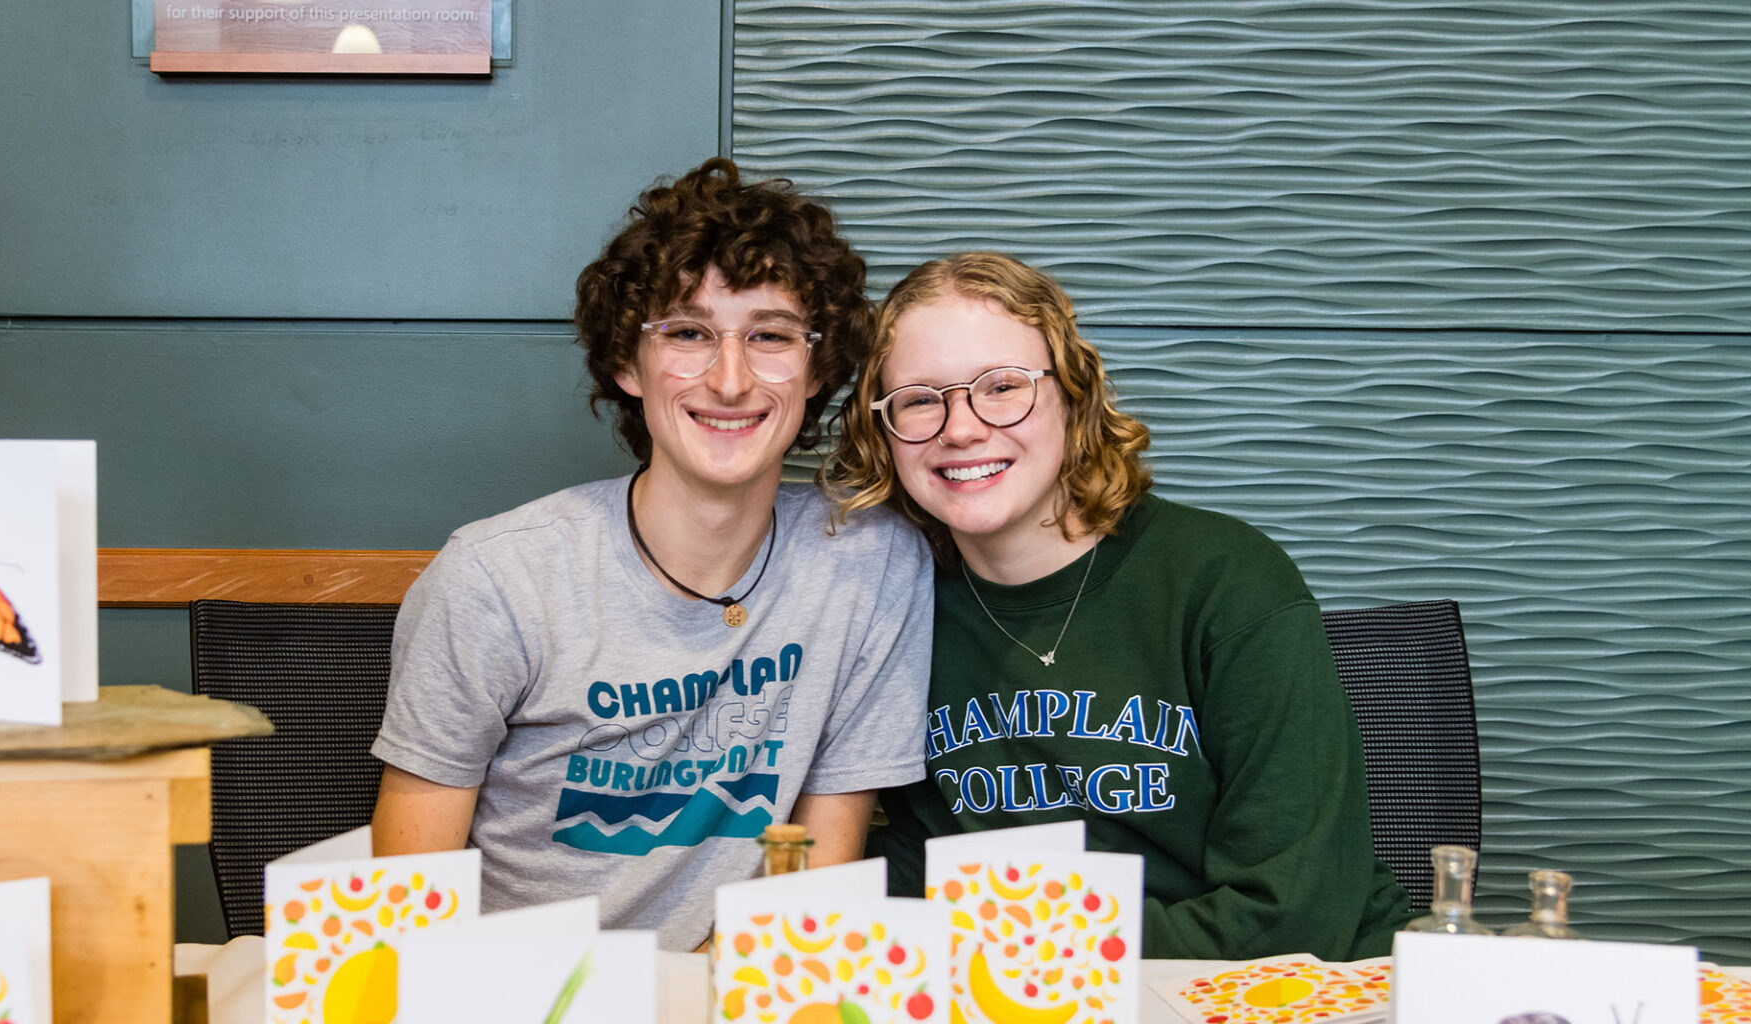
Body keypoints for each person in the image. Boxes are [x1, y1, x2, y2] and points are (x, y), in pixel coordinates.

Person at [369, 159, 935, 950]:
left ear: (818, 371)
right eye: (689, 333)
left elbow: (818, 883)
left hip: (737, 1004)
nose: (730, 379)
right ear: (625, 365)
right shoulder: (497, 578)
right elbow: (407, 901)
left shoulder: (872, 565)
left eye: (770, 335)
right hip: (521, 1021)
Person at [823, 252, 1407, 961]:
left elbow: (1294, 912)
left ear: (1072, 394)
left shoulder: (1226, 581)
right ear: (882, 432)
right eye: (919, 399)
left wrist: (1027, 961)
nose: (962, 427)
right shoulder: (898, 607)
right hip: (1024, 1013)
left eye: (1002, 387)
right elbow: (920, 868)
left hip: (1275, 1002)